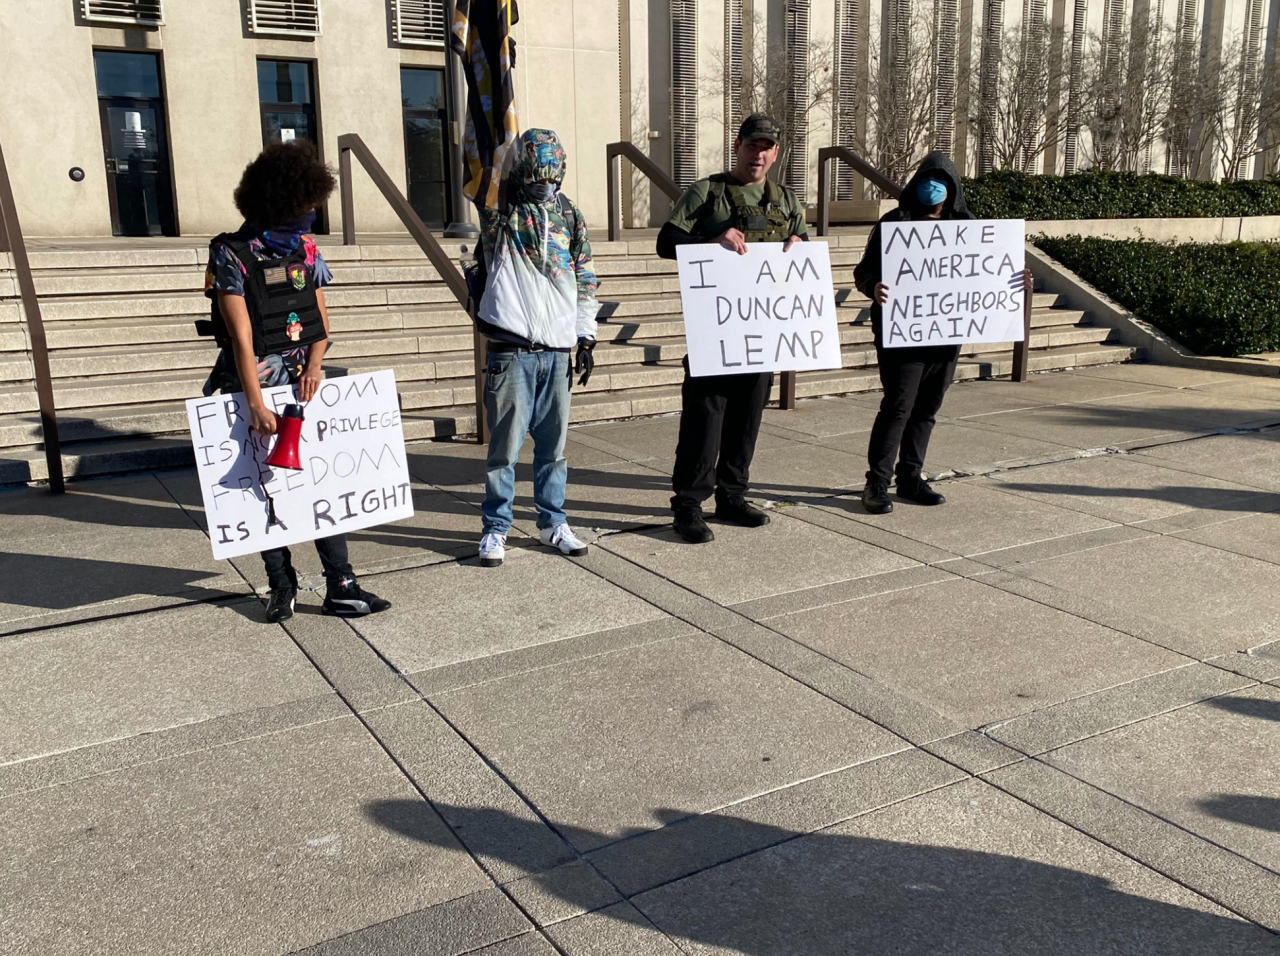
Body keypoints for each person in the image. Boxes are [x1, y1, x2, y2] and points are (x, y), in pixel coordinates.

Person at [201, 141, 390, 622]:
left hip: (303, 381)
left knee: (323, 482)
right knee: (265, 486)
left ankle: (342, 584)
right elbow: (241, 338)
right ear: (278, 204)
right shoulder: (231, 252)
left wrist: (314, 364)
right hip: (257, 380)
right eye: (304, 208)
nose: (310, 215)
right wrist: (256, 399)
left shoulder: (306, 248)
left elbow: (321, 318)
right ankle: (280, 584)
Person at [656, 113, 809, 544]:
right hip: (717, 330)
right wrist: (711, 243)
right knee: (704, 421)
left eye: (767, 147)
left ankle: (732, 496)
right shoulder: (708, 192)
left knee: (747, 420)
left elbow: (805, 256)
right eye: (751, 145)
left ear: (776, 154)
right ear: (737, 146)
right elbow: (666, 242)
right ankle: (688, 505)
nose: (758, 154)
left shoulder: (787, 201)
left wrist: (800, 248)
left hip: (764, 334)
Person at [853, 151, 1031, 515]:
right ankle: (877, 482)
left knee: (928, 406)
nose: (932, 189)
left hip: (946, 332)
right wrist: (874, 287)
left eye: (941, 183)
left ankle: (910, 477)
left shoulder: (968, 228)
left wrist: (1018, 281)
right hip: (901, 331)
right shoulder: (894, 224)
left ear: (952, 190)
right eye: (925, 181)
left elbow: (989, 274)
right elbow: (863, 272)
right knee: (899, 405)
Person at [474, 129, 599, 568]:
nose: (545, 185)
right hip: (512, 352)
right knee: (503, 451)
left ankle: (552, 522)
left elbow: (584, 277)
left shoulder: (570, 216)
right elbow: (484, 179)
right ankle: (495, 528)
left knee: (553, 449)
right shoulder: (502, 214)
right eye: (537, 176)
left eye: (552, 177)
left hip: (558, 352)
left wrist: (586, 335)